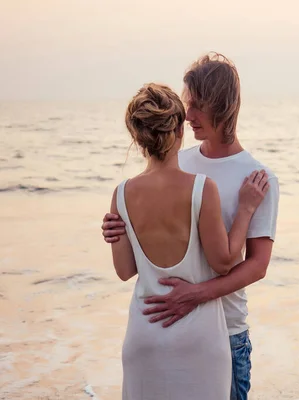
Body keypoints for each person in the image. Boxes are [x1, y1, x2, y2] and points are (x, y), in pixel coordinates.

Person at [102, 53, 280, 400]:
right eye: (187, 105)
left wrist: (197, 295)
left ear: (223, 106)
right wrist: (115, 229)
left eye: (197, 105)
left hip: (226, 330)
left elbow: (258, 265)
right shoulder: (178, 159)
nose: (189, 115)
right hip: (172, 327)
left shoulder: (257, 179)